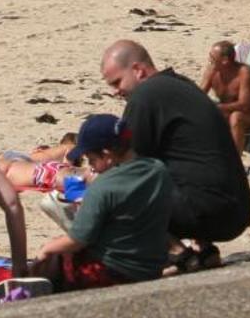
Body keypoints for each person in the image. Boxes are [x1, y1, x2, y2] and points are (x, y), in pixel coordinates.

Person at [100, 39, 250, 268]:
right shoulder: (183, 85)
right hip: (237, 209)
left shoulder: (146, 94)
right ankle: (203, 249)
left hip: (208, 209)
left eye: (117, 82)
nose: (116, 91)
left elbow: (127, 166)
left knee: (112, 190)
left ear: (138, 70)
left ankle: (178, 254)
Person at [33, 114, 172, 289]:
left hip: (113, 271)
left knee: (59, 255)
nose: (90, 166)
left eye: (91, 159)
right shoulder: (159, 170)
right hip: (151, 268)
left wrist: (46, 250)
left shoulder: (104, 187)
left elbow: (78, 239)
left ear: (107, 155)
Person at [198, 41, 250, 150]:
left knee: (236, 117)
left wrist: (217, 107)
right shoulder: (212, 71)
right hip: (224, 111)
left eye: (213, 58)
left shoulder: (244, 72)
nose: (210, 60)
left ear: (225, 61)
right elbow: (198, 95)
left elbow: (244, 105)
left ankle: (235, 160)